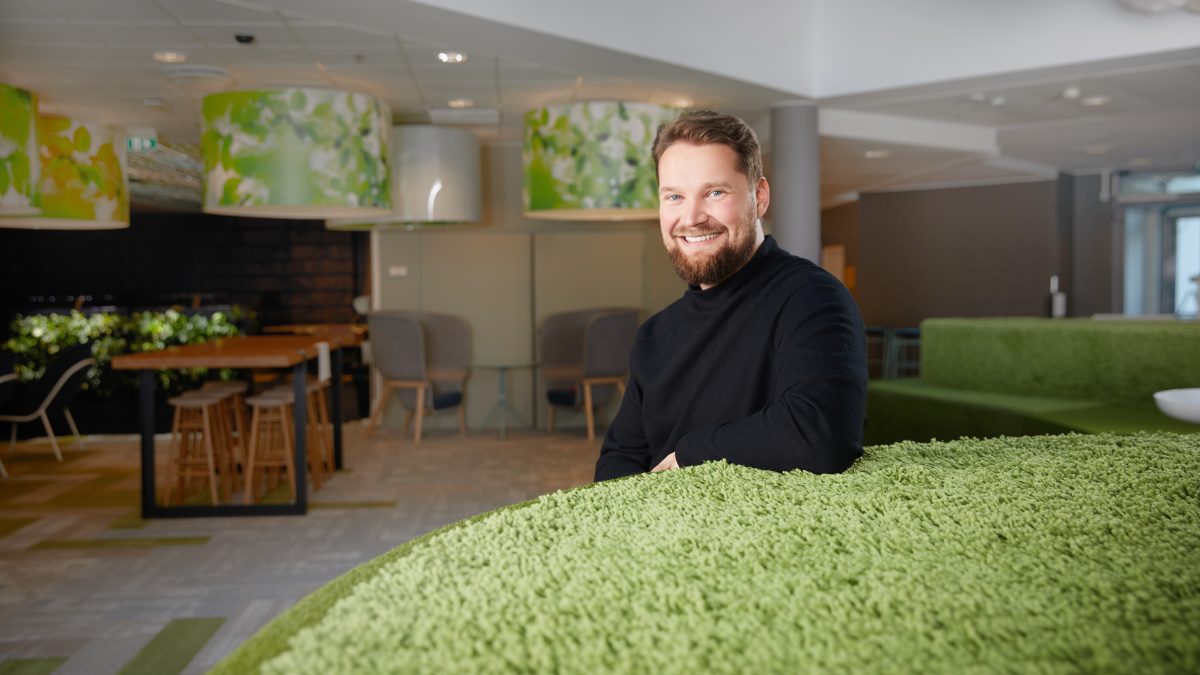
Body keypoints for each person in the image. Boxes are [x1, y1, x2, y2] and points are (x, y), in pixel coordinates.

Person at [594, 110, 867, 481]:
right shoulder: (655, 334)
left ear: (759, 196)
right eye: (674, 196)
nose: (691, 217)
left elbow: (820, 432)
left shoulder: (812, 298)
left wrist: (687, 455)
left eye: (715, 192)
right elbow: (620, 458)